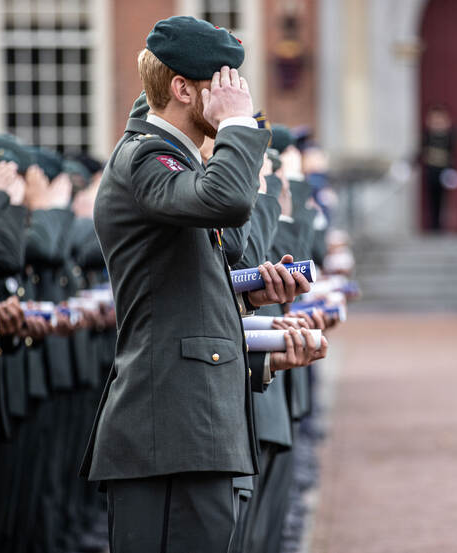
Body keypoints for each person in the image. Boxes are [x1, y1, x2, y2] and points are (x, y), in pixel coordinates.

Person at [80, 16, 326, 553]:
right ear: (183, 89)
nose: (237, 95)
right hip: (169, 434)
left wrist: (252, 311)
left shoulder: (177, 162)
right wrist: (240, 128)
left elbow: (188, 288)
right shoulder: (147, 156)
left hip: (193, 431)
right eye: (224, 83)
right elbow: (229, 202)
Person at [421, 105, 456, 231]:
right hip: (431, 172)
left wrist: (453, 171)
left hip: (444, 172)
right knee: (432, 199)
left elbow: (453, 156)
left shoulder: (449, 137)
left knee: (444, 200)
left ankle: (443, 226)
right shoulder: (427, 136)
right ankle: (433, 225)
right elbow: (420, 153)